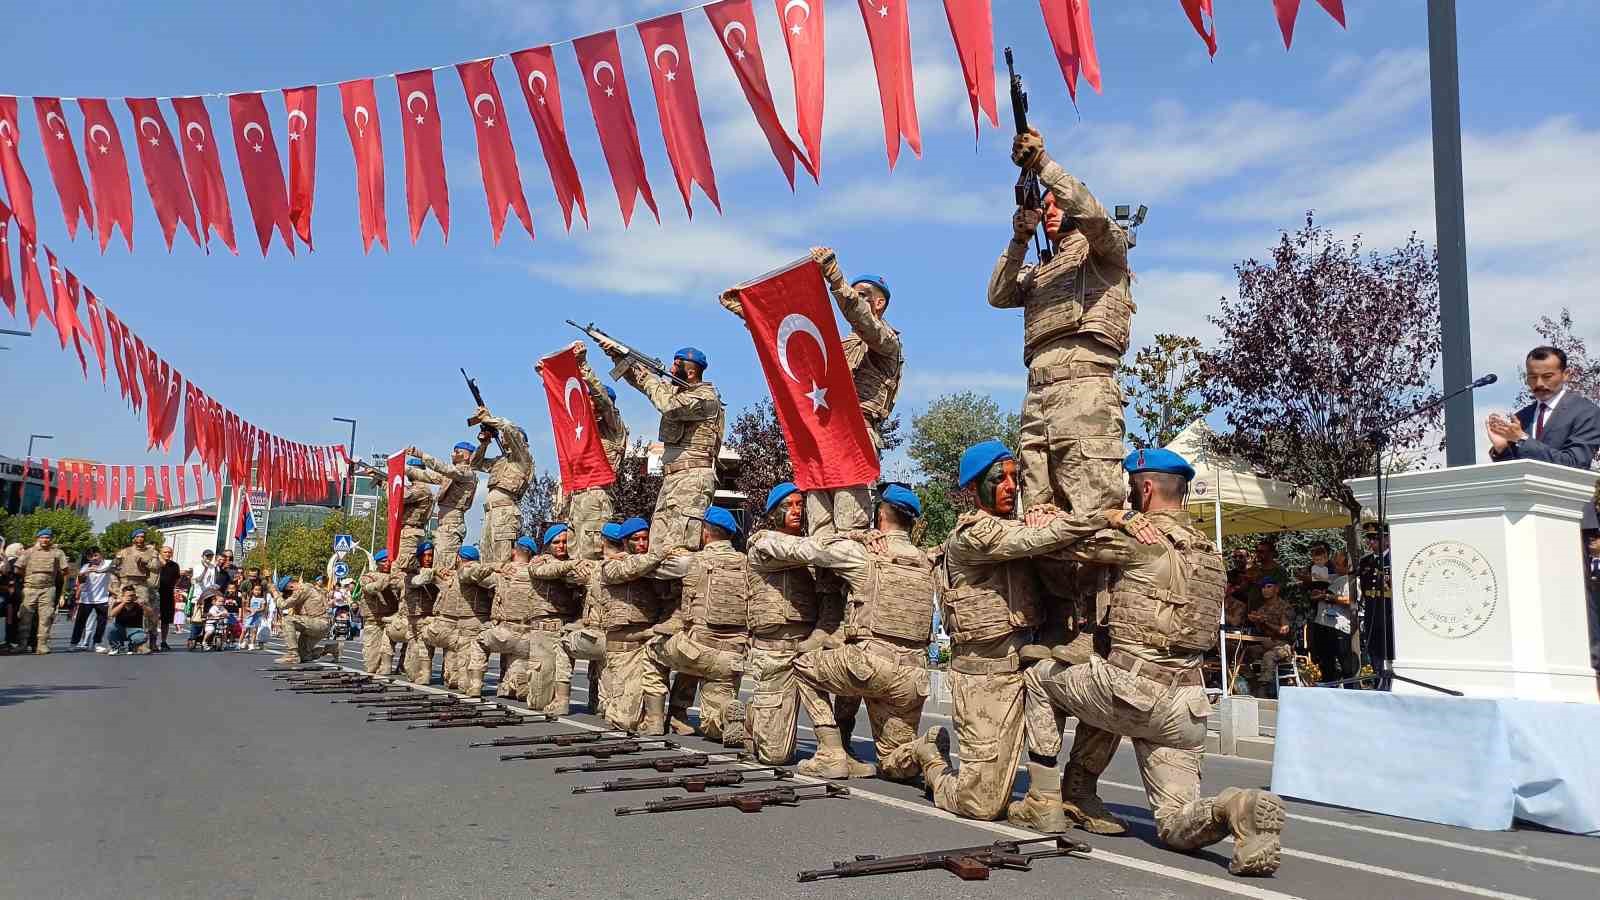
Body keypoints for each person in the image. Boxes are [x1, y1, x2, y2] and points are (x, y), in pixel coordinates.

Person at [1012, 448, 1285, 877]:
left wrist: (1084, 514)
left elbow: (1065, 543)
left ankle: (1042, 798)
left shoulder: (1139, 540)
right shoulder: (1210, 552)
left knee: (1040, 677)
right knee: (1176, 824)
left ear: (1146, 488)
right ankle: (1235, 807)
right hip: (1187, 707)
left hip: (1132, 689)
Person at [884, 441, 1157, 823]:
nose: (1011, 486)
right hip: (985, 677)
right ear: (972, 488)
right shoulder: (973, 536)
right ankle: (929, 758)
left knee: (1110, 693)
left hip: (1030, 665)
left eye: (1015, 477)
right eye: (999, 479)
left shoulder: (1017, 525)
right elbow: (1032, 540)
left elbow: (1048, 542)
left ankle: (1072, 792)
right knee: (980, 805)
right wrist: (1105, 516)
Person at [755, 486, 934, 780]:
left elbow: (803, 549)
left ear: (878, 517)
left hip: (871, 666)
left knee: (802, 664)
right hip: (912, 678)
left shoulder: (863, 554)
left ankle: (830, 751)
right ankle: (926, 752)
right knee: (894, 765)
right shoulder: (927, 562)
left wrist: (762, 536)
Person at [597, 339, 723, 553]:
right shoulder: (679, 393)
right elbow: (644, 384)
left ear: (691, 372)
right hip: (674, 477)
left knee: (679, 548)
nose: (671, 368)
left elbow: (667, 405)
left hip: (692, 477)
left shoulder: (705, 397)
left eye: (676, 365)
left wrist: (649, 376)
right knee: (658, 548)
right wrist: (618, 357)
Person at [647, 506, 751, 746]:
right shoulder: (747, 564)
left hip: (697, 648)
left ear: (705, 532)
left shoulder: (693, 561)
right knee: (713, 726)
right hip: (732, 655)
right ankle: (725, 714)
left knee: (652, 650)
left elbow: (653, 569)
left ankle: (654, 719)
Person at [739, 483, 825, 765]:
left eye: (801, 505)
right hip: (773, 652)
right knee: (775, 756)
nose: (797, 511)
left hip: (808, 647)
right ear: (773, 512)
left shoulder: (814, 550)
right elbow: (801, 550)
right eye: (789, 506)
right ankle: (750, 716)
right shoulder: (763, 544)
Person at [594, 518, 672, 734]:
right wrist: (658, 553)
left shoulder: (655, 568)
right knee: (626, 722)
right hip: (623, 647)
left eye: (645, 539)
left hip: (649, 640)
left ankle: (666, 716)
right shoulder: (611, 565)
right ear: (625, 542)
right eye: (635, 539)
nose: (641, 544)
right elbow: (628, 569)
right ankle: (609, 703)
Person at [563, 343, 629, 560]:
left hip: (597, 497)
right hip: (577, 498)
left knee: (593, 559)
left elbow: (604, 401)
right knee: (574, 559)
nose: (587, 404)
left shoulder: (613, 429)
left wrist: (582, 366)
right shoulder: (581, 433)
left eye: (590, 400)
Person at [420, 545, 498, 697]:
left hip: (470, 629)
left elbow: (473, 574)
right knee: (453, 680)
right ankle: (425, 672)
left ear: (458, 559)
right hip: (454, 629)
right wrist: (435, 571)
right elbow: (421, 578)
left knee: (463, 684)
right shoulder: (449, 576)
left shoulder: (473, 572)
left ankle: (467, 680)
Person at [469, 409, 535, 564]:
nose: (505, 438)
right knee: (487, 557)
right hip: (490, 512)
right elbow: (474, 464)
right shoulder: (500, 461)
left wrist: (489, 419)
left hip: (505, 512)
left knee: (502, 560)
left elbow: (509, 428)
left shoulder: (523, 459)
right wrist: (484, 444)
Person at [405, 441, 479, 568]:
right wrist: (404, 470)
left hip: (452, 524)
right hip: (445, 524)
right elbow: (428, 476)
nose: (452, 454)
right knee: (439, 565)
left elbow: (444, 468)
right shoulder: (453, 474)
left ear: (467, 456)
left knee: (444, 568)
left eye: (457, 452)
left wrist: (421, 455)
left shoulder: (466, 473)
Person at [1304, 542, 1354, 685]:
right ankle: (1329, 685)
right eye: (1335, 563)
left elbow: (1351, 600)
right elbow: (1317, 578)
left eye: (1339, 565)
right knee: (1326, 659)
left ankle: (1351, 688)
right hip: (1324, 623)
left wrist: (1328, 597)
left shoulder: (1351, 580)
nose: (1335, 567)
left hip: (1340, 626)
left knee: (1344, 660)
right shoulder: (1334, 577)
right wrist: (1316, 592)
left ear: (1348, 566)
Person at [16, 529, 71, 654]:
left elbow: (65, 571)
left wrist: (62, 592)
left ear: (51, 539)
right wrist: (28, 577)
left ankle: (42, 645)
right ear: (38, 538)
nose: (45, 540)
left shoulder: (57, 553)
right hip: (30, 589)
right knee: (25, 617)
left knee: (45, 618)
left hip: (48, 589)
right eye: (43, 537)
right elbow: (18, 568)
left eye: (48, 537)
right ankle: (22, 644)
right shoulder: (29, 552)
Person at [1244, 575, 1294, 697]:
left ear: (1276, 589)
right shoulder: (1262, 609)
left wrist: (1265, 621)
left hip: (1282, 646)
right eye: (1262, 587)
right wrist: (1255, 621)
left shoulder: (1285, 607)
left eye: (1268, 587)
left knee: (1269, 656)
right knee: (1244, 653)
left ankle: (1264, 688)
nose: (1265, 590)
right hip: (1265, 644)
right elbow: (1260, 631)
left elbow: (1284, 631)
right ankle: (1252, 683)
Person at [355, 549, 402, 673]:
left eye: (389, 561)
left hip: (392, 619)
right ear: (377, 564)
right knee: (371, 666)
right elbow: (370, 588)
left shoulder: (397, 577)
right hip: (374, 621)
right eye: (383, 561)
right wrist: (384, 581)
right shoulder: (368, 577)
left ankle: (404, 664)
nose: (387, 564)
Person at [114, 529, 160, 654]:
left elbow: (156, 567)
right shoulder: (125, 552)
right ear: (133, 538)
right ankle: (116, 643)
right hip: (126, 583)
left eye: (142, 537)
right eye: (138, 537)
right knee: (120, 610)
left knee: (143, 611)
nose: (140, 539)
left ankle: (142, 644)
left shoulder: (150, 552)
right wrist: (116, 585)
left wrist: (146, 562)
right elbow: (114, 568)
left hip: (141, 584)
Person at [274, 575, 332, 665]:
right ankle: (331, 649)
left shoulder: (302, 589)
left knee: (287, 619)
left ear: (291, 586)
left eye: (288, 592)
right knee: (304, 656)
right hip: (318, 624)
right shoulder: (308, 588)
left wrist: (276, 594)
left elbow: (283, 605)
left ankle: (292, 654)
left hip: (319, 623)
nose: (290, 594)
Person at [74, 549, 114, 652]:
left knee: (101, 623)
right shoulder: (85, 567)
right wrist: (85, 574)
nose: (94, 558)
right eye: (91, 557)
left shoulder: (108, 563)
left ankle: (97, 643)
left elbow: (114, 568)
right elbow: (80, 581)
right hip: (86, 599)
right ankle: (75, 643)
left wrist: (99, 570)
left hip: (102, 599)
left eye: (96, 555)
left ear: (101, 555)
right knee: (80, 622)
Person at [106, 585, 150, 655]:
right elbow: (111, 615)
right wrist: (123, 603)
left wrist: (143, 606)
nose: (130, 597)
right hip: (121, 630)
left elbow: (150, 614)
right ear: (123, 596)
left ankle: (132, 646)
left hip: (135, 630)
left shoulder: (139, 605)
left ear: (135, 596)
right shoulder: (118, 604)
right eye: (128, 596)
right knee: (110, 627)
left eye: (132, 595)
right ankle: (115, 647)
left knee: (143, 637)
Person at [156, 545, 180, 651]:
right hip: (155, 594)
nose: (167, 554)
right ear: (160, 553)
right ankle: (151, 641)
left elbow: (177, 579)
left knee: (165, 621)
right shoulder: (155, 564)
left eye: (169, 552)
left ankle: (163, 641)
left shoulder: (174, 565)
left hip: (168, 595)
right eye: (165, 552)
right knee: (153, 620)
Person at [242, 582, 270, 652]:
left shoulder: (262, 599)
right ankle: (245, 641)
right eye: (256, 590)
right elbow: (246, 607)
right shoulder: (250, 598)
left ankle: (252, 644)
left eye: (259, 590)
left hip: (257, 617)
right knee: (246, 630)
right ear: (252, 590)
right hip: (249, 616)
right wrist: (251, 610)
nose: (257, 591)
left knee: (254, 631)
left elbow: (263, 608)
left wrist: (257, 610)